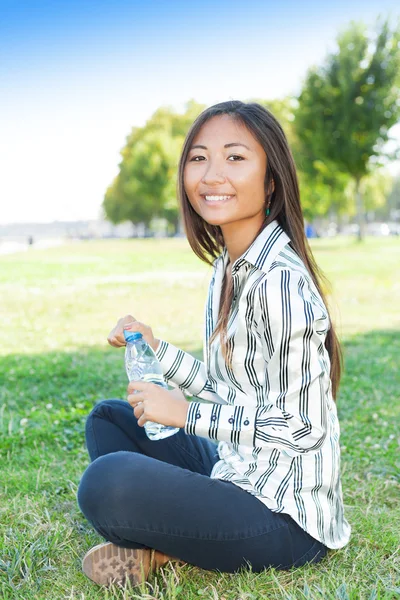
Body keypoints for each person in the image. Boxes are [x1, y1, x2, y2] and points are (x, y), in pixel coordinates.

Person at [77, 100, 351, 588]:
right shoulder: (228, 267)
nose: (212, 174)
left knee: (107, 482)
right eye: (199, 158)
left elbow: (304, 428)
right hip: (237, 468)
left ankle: (171, 548)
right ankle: (186, 538)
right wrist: (155, 350)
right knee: (109, 419)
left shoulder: (279, 282)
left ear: (271, 181)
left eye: (235, 158)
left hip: (284, 518)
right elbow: (230, 384)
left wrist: (183, 415)